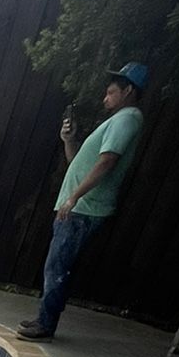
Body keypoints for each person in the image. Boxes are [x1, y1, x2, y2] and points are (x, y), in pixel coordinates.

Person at [19, 62, 148, 340]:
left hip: (84, 209)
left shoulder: (127, 118)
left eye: (110, 93)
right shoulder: (117, 121)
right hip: (79, 207)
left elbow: (108, 161)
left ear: (128, 90)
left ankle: (46, 324)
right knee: (56, 265)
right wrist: (69, 140)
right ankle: (45, 318)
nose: (105, 98)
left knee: (57, 266)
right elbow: (78, 163)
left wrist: (74, 198)